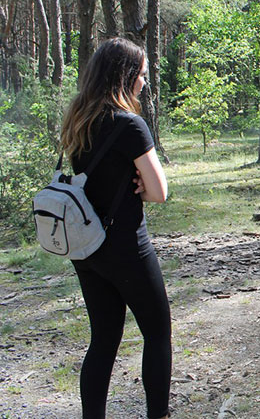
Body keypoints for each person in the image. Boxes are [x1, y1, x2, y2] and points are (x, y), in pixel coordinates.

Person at [61, 38, 171, 419]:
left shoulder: (79, 118)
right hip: (126, 244)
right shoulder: (130, 124)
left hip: (87, 247)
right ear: (125, 77)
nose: (144, 83)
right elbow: (159, 192)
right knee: (157, 334)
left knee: (104, 341)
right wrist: (142, 183)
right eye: (142, 75)